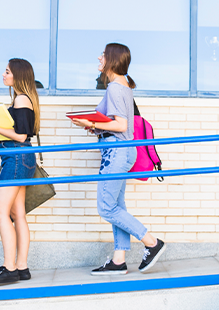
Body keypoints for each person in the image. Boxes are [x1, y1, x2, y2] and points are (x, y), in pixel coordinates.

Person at [71, 43, 165, 275]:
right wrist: (97, 128)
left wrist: (91, 123)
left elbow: (121, 124)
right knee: (116, 206)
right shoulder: (124, 85)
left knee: (106, 207)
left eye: (103, 55)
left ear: (111, 60)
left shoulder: (114, 87)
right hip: (122, 150)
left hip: (116, 152)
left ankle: (152, 242)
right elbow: (118, 124)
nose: (99, 58)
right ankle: (118, 260)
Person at [0, 58, 41, 284]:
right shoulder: (22, 99)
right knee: (18, 214)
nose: (3, 75)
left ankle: (9, 267)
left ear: (18, 75)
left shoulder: (22, 99)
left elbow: (22, 136)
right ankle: (21, 267)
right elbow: (18, 132)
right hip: (20, 157)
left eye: (7, 71)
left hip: (16, 158)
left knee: (0, 211)